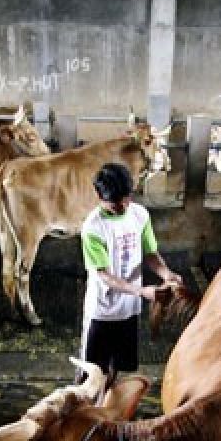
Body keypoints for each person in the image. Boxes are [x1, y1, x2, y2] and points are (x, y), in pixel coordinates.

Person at [77, 162, 182, 386]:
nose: (123, 206)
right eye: (115, 203)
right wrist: (142, 291)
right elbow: (104, 275)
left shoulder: (140, 215)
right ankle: (84, 411)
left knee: (118, 366)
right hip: (103, 309)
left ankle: (106, 408)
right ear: (99, 195)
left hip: (129, 308)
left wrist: (166, 274)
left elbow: (150, 253)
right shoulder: (93, 228)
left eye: (126, 199)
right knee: (92, 371)